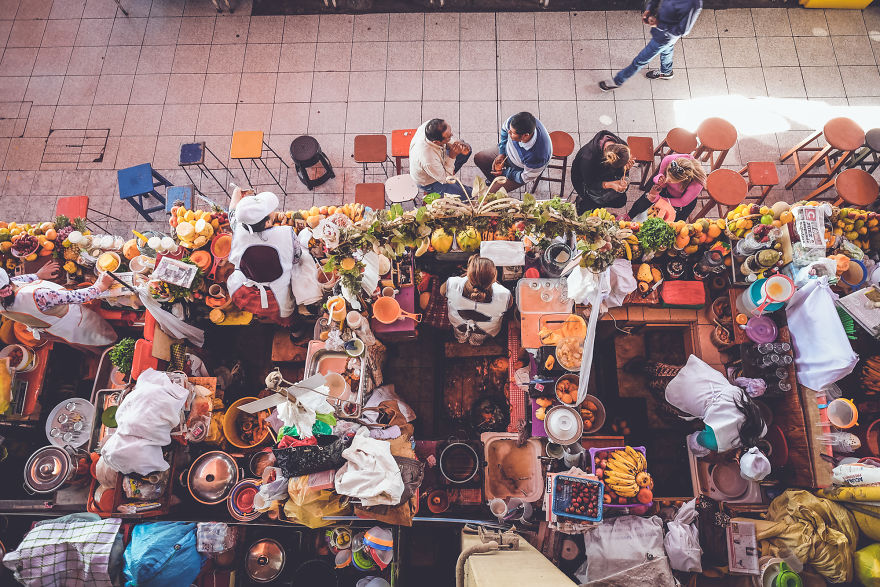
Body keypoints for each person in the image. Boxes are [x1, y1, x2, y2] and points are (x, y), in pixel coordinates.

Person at [663, 355, 770, 479]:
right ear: (737, 461)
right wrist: (706, 449)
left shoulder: (762, 427)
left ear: (762, 453)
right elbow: (694, 441)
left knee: (670, 371)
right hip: (692, 393)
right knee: (662, 386)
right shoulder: (718, 443)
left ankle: (655, 368)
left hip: (710, 378)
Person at [228, 188, 322, 327]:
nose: (273, 211)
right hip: (276, 293)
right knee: (288, 317)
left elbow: (232, 213)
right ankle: (296, 333)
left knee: (269, 314)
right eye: (270, 211)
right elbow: (296, 258)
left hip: (246, 289)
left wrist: (236, 193)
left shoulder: (238, 228)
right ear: (267, 223)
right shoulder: (286, 234)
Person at [0, 260, 117, 348]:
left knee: (86, 342)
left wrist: (37, 275)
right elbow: (78, 296)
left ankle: (100, 348)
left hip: (56, 328)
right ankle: (113, 343)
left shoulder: (3, 298)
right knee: (102, 335)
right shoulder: (36, 295)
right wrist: (101, 286)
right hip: (75, 320)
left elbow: (16, 280)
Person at [599, 0, 703, 91]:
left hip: (664, 37)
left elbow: (683, 30)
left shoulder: (694, 4)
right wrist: (649, 9)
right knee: (667, 50)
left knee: (639, 61)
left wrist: (659, 24)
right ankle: (666, 72)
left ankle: (617, 81)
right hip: (662, 32)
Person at [440, 256, 512, 346]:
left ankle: (462, 339)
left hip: (460, 324)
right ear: (494, 277)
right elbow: (508, 306)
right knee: (478, 338)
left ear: (468, 273)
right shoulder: (504, 294)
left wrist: (463, 277)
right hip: (484, 330)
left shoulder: (452, 284)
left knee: (460, 334)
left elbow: (442, 292)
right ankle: (475, 342)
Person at [474, 112, 552, 192]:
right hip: (508, 151)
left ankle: (498, 184)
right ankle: (494, 181)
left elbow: (524, 177)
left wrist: (505, 173)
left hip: (520, 170)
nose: (509, 132)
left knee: (489, 195)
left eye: (512, 133)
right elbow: (505, 131)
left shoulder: (538, 157)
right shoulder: (514, 121)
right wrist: (502, 153)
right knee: (479, 158)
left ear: (525, 135)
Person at [627, 154, 706, 222]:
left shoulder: (698, 182)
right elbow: (659, 176)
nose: (667, 180)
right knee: (644, 200)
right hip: (665, 190)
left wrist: (659, 199)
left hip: (680, 200)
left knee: (672, 223)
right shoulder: (668, 159)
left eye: (671, 180)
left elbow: (682, 202)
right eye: (667, 175)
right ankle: (629, 216)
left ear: (683, 180)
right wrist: (659, 180)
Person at [570, 130, 633, 215]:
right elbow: (590, 183)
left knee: (621, 201)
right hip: (585, 181)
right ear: (608, 161)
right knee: (590, 205)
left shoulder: (621, 147)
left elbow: (620, 168)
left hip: (605, 175)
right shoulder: (587, 159)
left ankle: (597, 204)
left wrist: (626, 169)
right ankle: (582, 203)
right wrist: (610, 184)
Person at [409, 118, 472, 197]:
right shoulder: (428, 159)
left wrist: (455, 143)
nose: (452, 135)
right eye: (448, 136)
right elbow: (445, 179)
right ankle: (446, 184)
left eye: (450, 132)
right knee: (468, 195)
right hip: (431, 181)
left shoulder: (431, 126)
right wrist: (452, 156)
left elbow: (449, 140)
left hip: (437, 163)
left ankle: (450, 173)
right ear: (436, 142)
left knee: (466, 151)